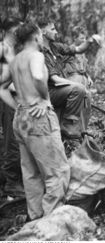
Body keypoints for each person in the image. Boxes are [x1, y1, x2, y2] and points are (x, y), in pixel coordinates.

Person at [0, 22, 70, 220]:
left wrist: (19, 108)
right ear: (37, 37)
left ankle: (36, 219)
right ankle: (52, 221)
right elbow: (39, 76)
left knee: (31, 174)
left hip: (21, 118)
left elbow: (2, 88)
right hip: (39, 118)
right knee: (58, 171)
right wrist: (44, 99)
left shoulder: (14, 60)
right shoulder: (37, 56)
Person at [37, 19, 93, 139]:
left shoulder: (55, 47)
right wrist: (75, 84)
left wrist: (90, 41)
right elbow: (55, 79)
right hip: (52, 89)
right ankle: (67, 125)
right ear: (43, 32)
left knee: (86, 98)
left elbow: (78, 50)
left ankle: (81, 129)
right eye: (52, 29)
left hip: (64, 86)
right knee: (79, 91)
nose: (56, 32)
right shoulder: (41, 51)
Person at [0, 17, 24, 197]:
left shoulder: (15, 50)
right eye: (19, 29)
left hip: (14, 97)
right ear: (12, 31)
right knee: (12, 139)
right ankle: (11, 182)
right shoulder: (2, 48)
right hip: (5, 98)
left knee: (17, 137)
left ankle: (14, 179)